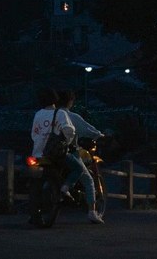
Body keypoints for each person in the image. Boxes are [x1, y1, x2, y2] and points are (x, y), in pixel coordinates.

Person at [56, 89, 105, 224]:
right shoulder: (71, 116)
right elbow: (89, 130)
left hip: (47, 152)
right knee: (88, 180)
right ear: (70, 101)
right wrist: (100, 135)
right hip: (68, 151)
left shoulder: (49, 115)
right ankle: (92, 212)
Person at [28, 87, 74, 224]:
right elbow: (69, 131)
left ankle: (34, 212)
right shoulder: (60, 113)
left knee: (34, 183)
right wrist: (67, 143)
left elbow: (33, 134)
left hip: (37, 154)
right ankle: (64, 192)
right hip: (53, 155)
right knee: (71, 168)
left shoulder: (38, 114)